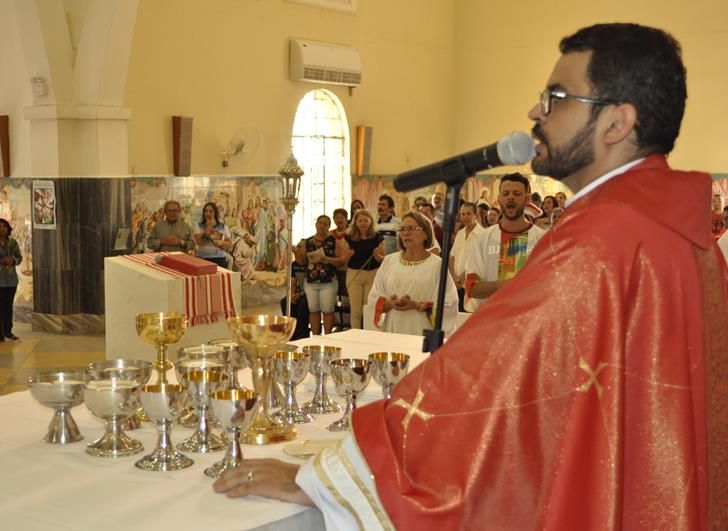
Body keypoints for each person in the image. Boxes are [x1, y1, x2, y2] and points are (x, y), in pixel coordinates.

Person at [214, 23, 728, 529]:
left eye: (555, 98)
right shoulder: (678, 232)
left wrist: (327, 481)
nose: (535, 113)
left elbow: (484, 380)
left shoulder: (602, 239)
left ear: (617, 123)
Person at [365, 211, 458, 336]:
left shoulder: (437, 265)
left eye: (412, 228)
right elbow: (373, 298)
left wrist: (417, 306)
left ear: (426, 234)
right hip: (393, 330)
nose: (406, 233)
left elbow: (449, 304)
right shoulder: (389, 261)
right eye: (402, 229)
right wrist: (389, 303)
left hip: (422, 331)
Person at [464, 173, 545, 312]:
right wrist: (509, 284)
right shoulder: (483, 239)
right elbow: (472, 288)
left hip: (529, 317)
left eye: (517, 193)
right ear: (499, 198)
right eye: (506, 193)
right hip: (491, 318)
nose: (510, 197)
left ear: (527, 199)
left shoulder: (542, 239)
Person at [304, 215, 350, 335]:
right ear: (316, 224)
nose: (322, 226)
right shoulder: (308, 241)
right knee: (313, 310)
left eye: (325, 224)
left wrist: (327, 259)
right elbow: (302, 260)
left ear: (329, 227)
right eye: (320, 223)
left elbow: (341, 261)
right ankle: (315, 336)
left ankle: (328, 336)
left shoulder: (333, 241)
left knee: (327, 310)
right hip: (311, 280)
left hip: (328, 280)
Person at [344, 208, 384, 329]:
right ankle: (355, 334)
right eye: (360, 221)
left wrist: (378, 256)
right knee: (356, 310)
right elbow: (342, 259)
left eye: (366, 220)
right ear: (355, 222)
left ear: (371, 221)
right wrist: (347, 255)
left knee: (369, 307)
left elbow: (384, 259)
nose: (363, 223)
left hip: (373, 274)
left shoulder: (377, 237)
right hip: (354, 273)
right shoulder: (349, 237)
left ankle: (368, 334)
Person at [448, 202, 484, 311]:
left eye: (469, 214)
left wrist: (464, 276)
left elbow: (479, 261)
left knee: (468, 314)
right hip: (455, 284)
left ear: (476, 215)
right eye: (463, 214)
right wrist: (453, 277)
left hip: (471, 285)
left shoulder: (483, 234)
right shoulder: (460, 233)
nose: (465, 217)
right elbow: (452, 257)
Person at [280, 239, 310, 340]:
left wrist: (300, 294)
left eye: (300, 247)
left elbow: (310, 285)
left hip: (310, 292)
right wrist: (292, 294)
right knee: (285, 302)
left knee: (303, 304)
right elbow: (292, 282)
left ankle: (303, 332)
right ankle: (292, 332)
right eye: (297, 246)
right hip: (299, 292)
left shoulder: (310, 264)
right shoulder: (294, 265)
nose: (297, 249)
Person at [194, 202, 232, 268]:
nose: (208, 213)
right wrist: (208, 228)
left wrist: (221, 242)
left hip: (219, 258)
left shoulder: (223, 226)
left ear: (215, 213)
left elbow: (229, 244)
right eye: (206, 211)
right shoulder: (199, 226)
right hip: (202, 258)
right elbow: (199, 242)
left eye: (210, 211)